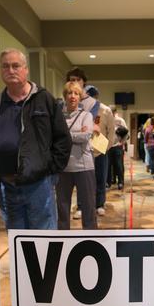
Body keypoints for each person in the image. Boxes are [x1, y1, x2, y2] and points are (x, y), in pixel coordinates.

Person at [0, 49, 71, 229]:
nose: (10, 70)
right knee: (18, 242)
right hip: (6, 187)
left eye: (15, 66)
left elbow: (63, 139)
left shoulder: (44, 99)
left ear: (26, 69)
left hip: (39, 185)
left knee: (44, 241)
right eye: (5, 66)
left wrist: (49, 171)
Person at [56, 82, 97, 229]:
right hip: (63, 168)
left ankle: (91, 239)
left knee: (88, 207)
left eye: (76, 93)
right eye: (69, 93)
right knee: (62, 208)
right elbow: (53, 137)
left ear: (80, 97)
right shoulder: (58, 117)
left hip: (84, 167)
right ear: (65, 96)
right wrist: (75, 134)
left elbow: (85, 137)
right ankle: (63, 242)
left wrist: (64, 135)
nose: (72, 96)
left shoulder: (86, 115)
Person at [84, 85, 114, 216]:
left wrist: (106, 148)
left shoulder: (105, 110)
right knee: (84, 180)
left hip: (100, 148)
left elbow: (111, 131)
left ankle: (100, 204)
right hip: (84, 149)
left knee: (101, 178)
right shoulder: (81, 109)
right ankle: (82, 205)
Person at [106, 106, 128, 190]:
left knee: (119, 165)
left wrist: (122, 142)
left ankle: (121, 182)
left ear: (115, 112)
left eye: (111, 112)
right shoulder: (106, 120)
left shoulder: (120, 121)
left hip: (117, 146)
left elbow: (126, 133)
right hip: (108, 146)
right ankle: (108, 182)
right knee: (107, 165)